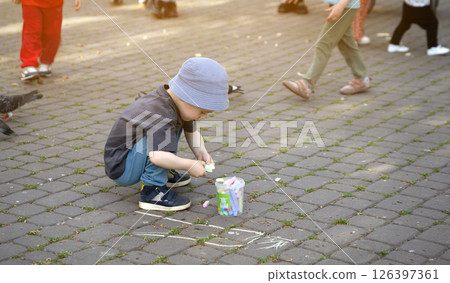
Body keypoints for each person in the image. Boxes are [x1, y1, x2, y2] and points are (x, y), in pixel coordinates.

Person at [104, 57, 229, 211]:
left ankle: (163, 173)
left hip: (133, 156)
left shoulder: (175, 102)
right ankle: (152, 191)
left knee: (171, 130)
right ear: (187, 98)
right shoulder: (161, 113)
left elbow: (192, 132)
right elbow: (158, 156)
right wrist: (189, 165)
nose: (203, 116)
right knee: (162, 140)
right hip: (122, 166)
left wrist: (200, 151)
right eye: (202, 111)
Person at [283, 0, 370, 99]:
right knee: (346, 44)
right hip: (343, 5)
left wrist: (341, 5)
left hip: (346, 5)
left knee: (324, 44)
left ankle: (307, 83)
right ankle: (361, 78)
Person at [13, 0, 82, 81]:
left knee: (53, 33)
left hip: (54, 3)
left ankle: (46, 62)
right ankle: (29, 64)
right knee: (32, 31)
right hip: (30, 2)